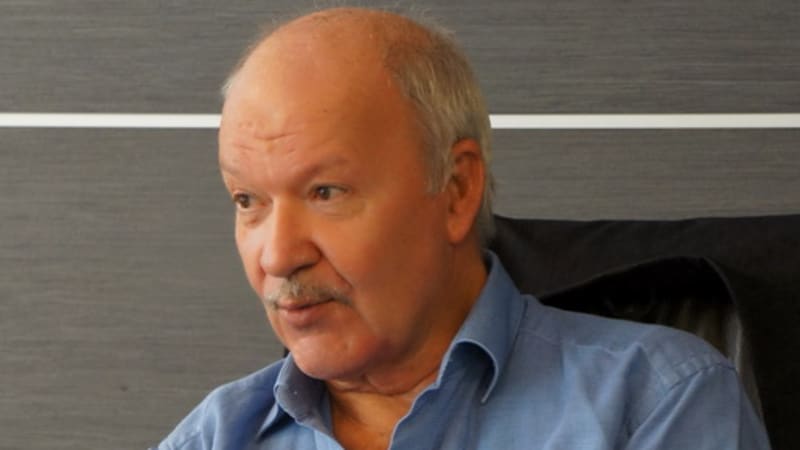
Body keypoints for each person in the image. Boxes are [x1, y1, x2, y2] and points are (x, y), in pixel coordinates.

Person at [152, 7, 770, 450]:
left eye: (326, 192)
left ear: (456, 189)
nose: (278, 256)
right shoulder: (214, 435)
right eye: (247, 200)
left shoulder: (655, 401)